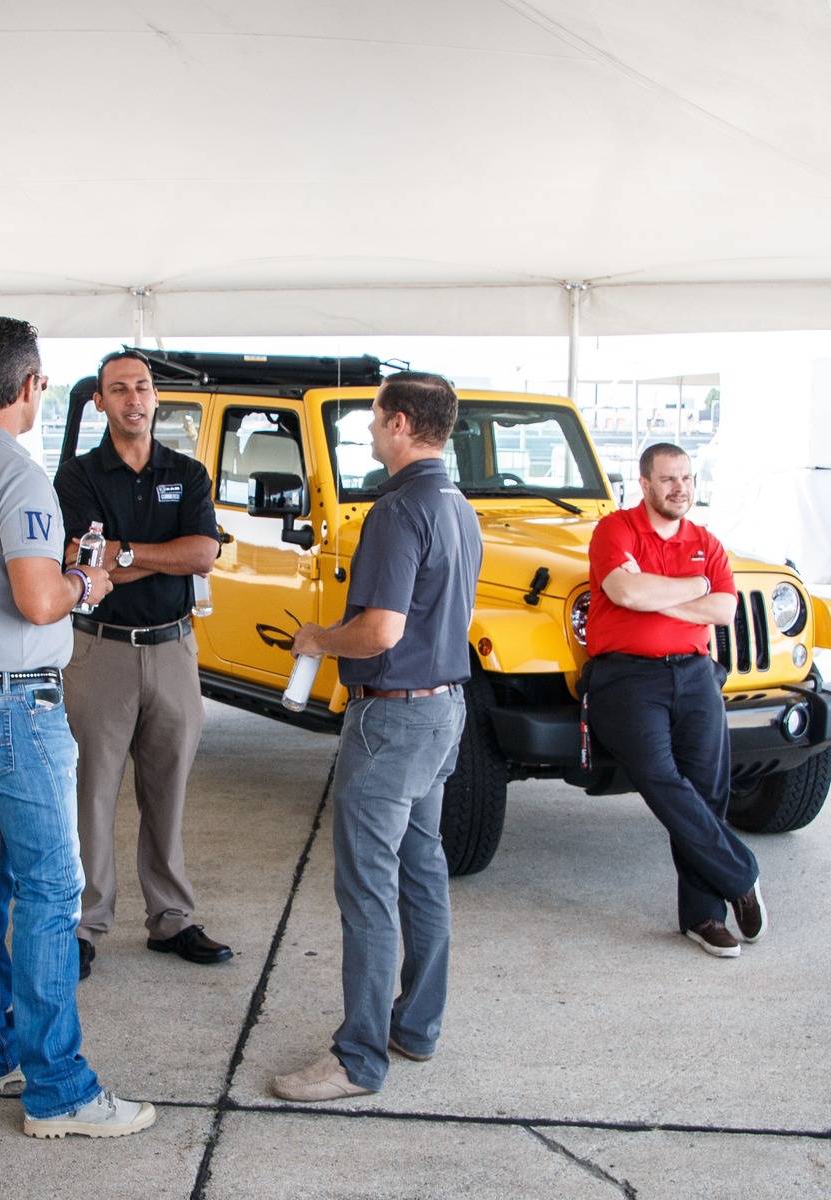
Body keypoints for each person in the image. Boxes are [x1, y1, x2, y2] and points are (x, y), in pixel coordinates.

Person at [0, 316, 154, 1139]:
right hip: (14, 705)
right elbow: (39, 599)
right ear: (29, 385)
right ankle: (60, 1092)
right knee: (51, 890)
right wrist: (86, 581)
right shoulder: (19, 477)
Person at [271, 371, 482, 1103]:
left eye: (373, 417)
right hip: (443, 709)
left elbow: (380, 630)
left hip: (392, 718)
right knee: (421, 869)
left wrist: (317, 639)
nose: (367, 429)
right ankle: (415, 1026)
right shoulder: (458, 507)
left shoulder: (397, 511)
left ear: (399, 423)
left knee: (367, 887)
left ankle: (358, 1059)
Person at [54, 351, 228, 978]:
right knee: (92, 795)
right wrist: (157, 554)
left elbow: (203, 553)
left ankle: (171, 919)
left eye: (143, 387)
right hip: (98, 651)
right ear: (99, 401)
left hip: (173, 651)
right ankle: (84, 925)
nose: (134, 398)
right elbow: (78, 558)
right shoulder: (76, 477)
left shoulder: (187, 472)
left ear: (156, 398)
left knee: (168, 792)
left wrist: (123, 553)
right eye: (119, 389)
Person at [580, 443, 763, 958]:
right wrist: (693, 587)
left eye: (686, 478)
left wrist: (659, 595)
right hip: (626, 677)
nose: (679, 488)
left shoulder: (706, 542)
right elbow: (626, 594)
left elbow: (723, 609)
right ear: (644, 484)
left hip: (696, 672)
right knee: (661, 778)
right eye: (667, 479)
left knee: (707, 790)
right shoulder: (615, 530)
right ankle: (740, 875)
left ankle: (704, 917)